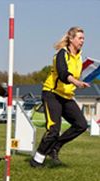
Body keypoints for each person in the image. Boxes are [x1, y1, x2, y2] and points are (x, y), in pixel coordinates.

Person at [30, 26, 90, 168]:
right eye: (80, 38)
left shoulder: (79, 57)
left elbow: (77, 74)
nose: (82, 41)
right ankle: (37, 161)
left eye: (83, 39)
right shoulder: (61, 54)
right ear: (71, 38)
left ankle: (55, 147)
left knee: (81, 124)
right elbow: (63, 73)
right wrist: (76, 82)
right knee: (53, 130)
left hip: (67, 96)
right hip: (52, 94)